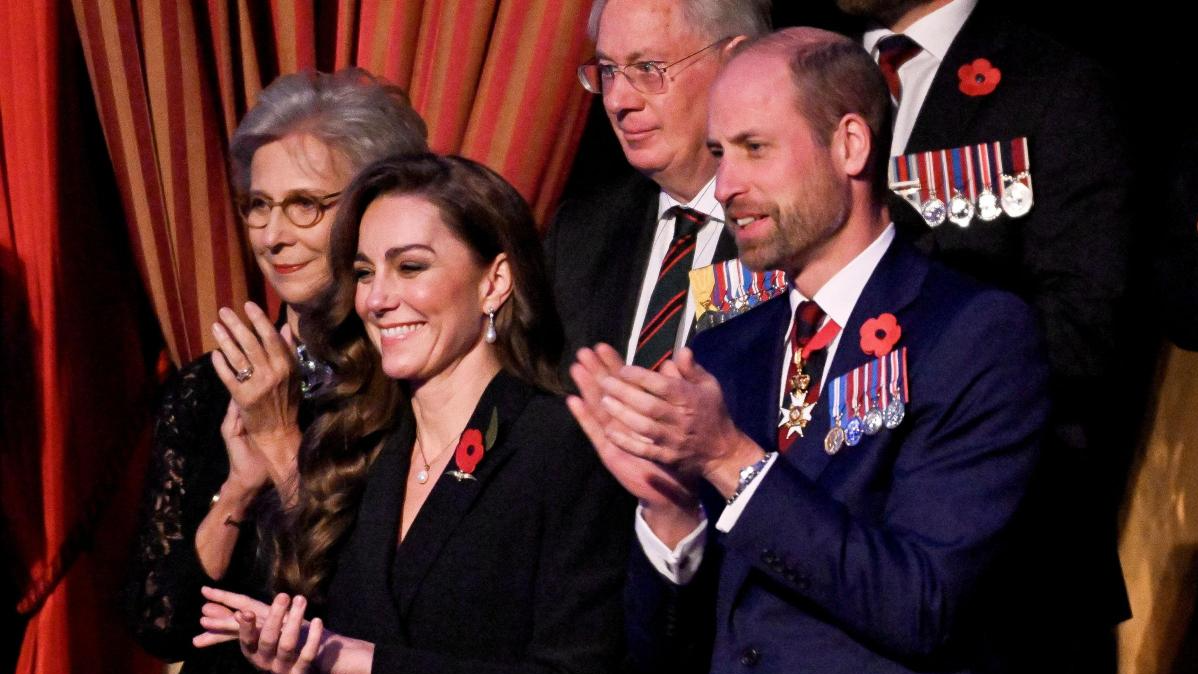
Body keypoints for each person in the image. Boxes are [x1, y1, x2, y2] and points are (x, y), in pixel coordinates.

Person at [569, 28, 1051, 673]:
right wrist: (670, 513)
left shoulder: (971, 334)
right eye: (719, 153)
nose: (725, 184)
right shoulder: (723, 352)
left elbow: (924, 605)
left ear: (850, 145)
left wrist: (731, 460)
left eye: (755, 148)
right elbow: (666, 651)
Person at [193, 154, 633, 674]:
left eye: (410, 267)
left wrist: (360, 661)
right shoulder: (358, 443)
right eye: (364, 273)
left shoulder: (562, 445)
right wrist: (291, 656)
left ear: (494, 282)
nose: (376, 299)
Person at [835, 0, 1133, 668]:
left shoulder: (1053, 84)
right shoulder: (808, 80)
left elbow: (1084, 328)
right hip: (821, 574)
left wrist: (890, 383)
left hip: (1004, 580)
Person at [124, 68, 428, 673]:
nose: (271, 236)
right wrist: (239, 489)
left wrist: (281, 441)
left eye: (304, 206)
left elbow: (373, 617)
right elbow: (160, 624)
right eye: (258, 206)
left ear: (376, 208)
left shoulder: (412, 382)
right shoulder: (209, 387)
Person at [545, 0, 771, 371]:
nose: (617, 100)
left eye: (648, 68)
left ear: (735, 63)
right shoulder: (581, 234)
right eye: (608, 71)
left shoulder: (799, 226)